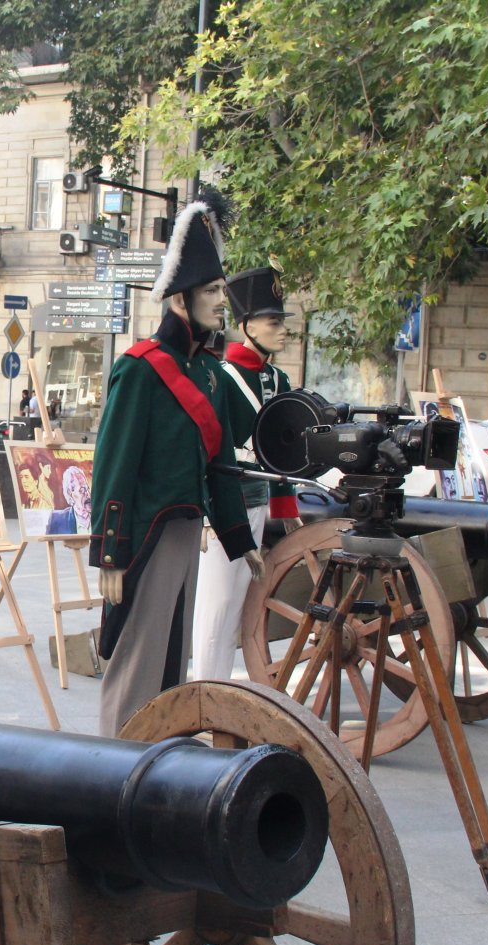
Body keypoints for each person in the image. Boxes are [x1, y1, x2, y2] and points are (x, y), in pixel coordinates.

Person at [90, 196, 257, 737]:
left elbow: (222, 462)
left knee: (171, 657)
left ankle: (160, 754)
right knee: (138, 659)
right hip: (146, 531)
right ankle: (116, 757)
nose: (222, 301)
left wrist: (238, 537)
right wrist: (110, 552)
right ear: (181, 299)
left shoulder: (208, 372)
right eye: (211, 291)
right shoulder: (140, 369)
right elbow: (114, 464)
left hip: (187, 530)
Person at [191, 265, 304, 680]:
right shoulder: (219, 378)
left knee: (239, 605)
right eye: (273, 322)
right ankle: (206, 690)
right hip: (224, 505)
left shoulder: (278, 379)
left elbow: (281, 452)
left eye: (281, 321)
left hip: (257, 501)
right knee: (216, 607)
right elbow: (204, 449)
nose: (282, 330)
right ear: (246, 326)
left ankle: (219, 688)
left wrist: (287, 509)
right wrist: (206, 514)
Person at [46, 465, 91, 536]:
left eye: (87, 489)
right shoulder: (58, 520)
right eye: (82, 490)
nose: (88, 494)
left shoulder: (100, 516)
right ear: (70, 493)